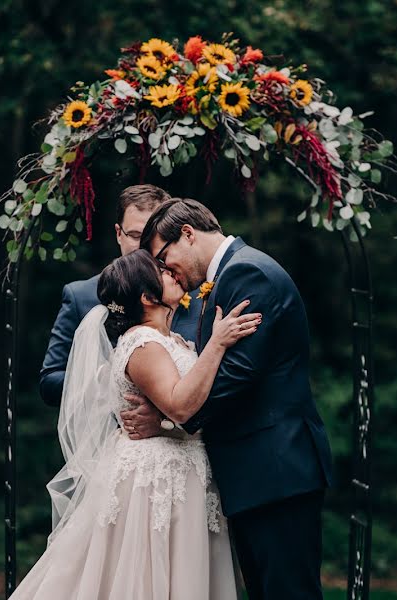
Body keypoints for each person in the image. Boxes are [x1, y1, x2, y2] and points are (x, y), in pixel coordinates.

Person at [11, 249, 261, 600]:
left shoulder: (170, 340)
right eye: (161, 272)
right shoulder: (142, 343)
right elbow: (181, 406)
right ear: (146, 297)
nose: (173, 273)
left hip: (183, 469)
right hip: (156, 479)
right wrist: (218, 343)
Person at [139, 198, 335, 600]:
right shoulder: (227, 277)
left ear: (188, 234)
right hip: (255, 475)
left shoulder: (248, 272)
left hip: (275, 471)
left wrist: (170, 415)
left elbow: (239, 373)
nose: (165, 270)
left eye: (164, 256)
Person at [39, 184, 202, 438]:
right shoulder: (81, 296)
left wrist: (163, 415)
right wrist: (118, 380)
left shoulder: (188, 291)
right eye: (136, 235)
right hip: (113, 443)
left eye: (153, 236)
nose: (144, 247)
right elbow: (50, 382)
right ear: (118, 234)